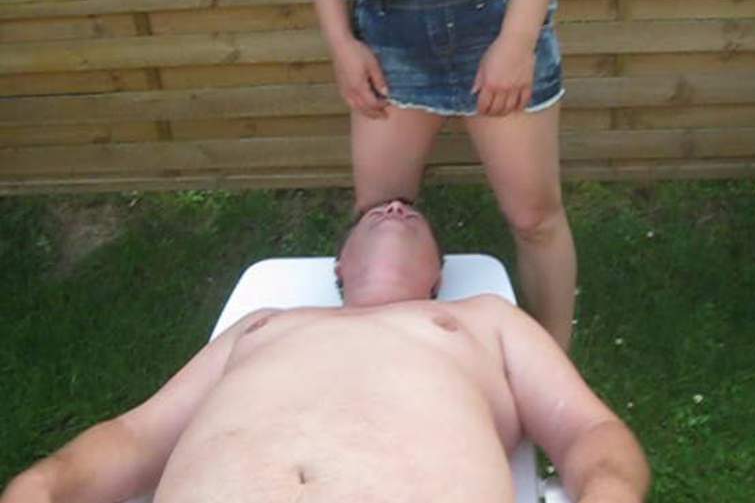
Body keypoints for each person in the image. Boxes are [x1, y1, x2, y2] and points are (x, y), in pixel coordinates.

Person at [1, 199, 649, 503]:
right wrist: (45, 485)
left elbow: (588, 431)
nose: (394, 206)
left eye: (413, 214)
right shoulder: (262, 325)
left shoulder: (482, 320)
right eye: (375, 211)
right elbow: (136, 437)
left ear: (438, 273)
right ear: (339, 265)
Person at [302, 0, 578, 349]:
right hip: (389, 38)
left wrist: (518, 40)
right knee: (380, 221)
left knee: (535, 220)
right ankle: (387, 362)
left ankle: (553, 365)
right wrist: (340, 43)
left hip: (495, 20)